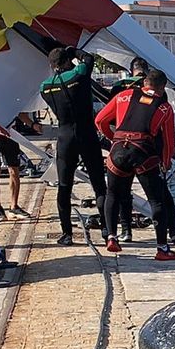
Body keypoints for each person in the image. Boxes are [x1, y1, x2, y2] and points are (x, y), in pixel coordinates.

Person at [94, 69, 175, 260]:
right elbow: (168, 142)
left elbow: (100, 120)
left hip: (118, 151)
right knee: (157, 201)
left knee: (112, 194)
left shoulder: (123, 96)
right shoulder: (165, 108)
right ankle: (162, 249)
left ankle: (111, 237)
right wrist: (165, 163)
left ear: (144, 83)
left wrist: (112, 140)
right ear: (162, 87)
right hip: (143, 155)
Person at [40, 46, 107, 245]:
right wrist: (74, 51)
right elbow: (88, 59)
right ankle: (106, 230)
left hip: (65, 135)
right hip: (86, 133)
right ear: (68, 61)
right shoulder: (77, 75)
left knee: (64, 186)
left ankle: (67, 233)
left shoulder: (45, 86)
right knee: (98, 184)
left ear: (52, 65)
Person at [109, 57, 149, 240]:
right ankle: (167, 238)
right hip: (145, 145)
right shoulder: (151, 89)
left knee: (119, 191)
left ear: (131, 70)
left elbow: (104, 118)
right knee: (157, 194)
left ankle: (122, 231)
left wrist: (113, 137)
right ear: (146, 71)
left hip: (121, 143)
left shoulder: (119, 88)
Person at [0, 112, 38, 221]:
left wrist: (32, 124)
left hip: (10, 134)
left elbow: (19, 112)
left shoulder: (8, 95)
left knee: (14, 170)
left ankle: (14, 206)